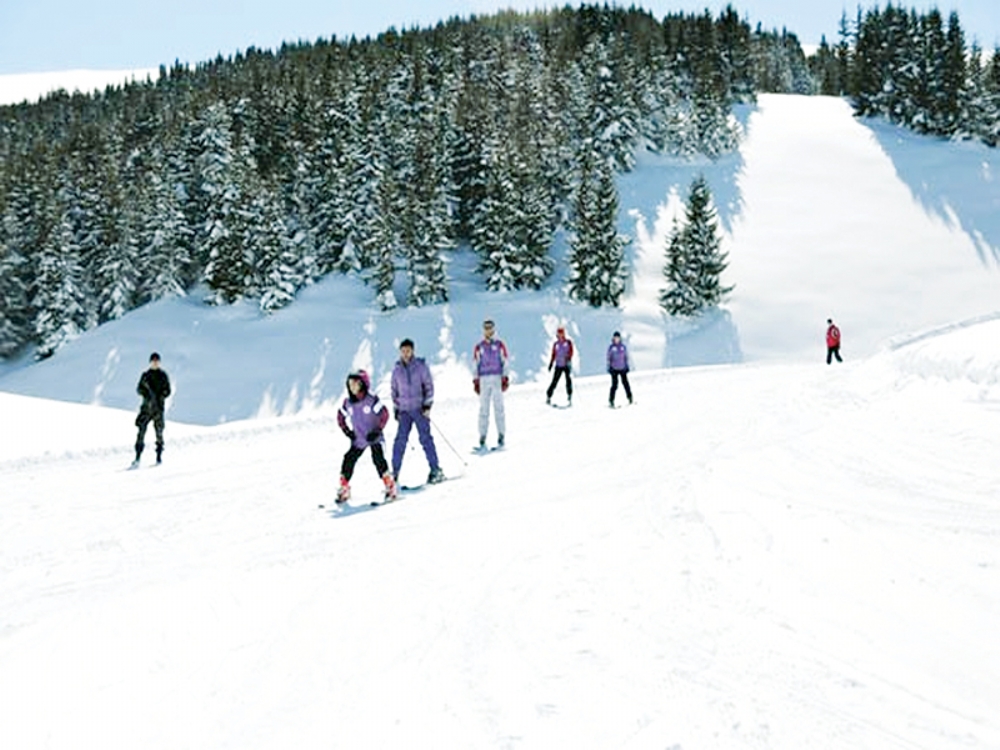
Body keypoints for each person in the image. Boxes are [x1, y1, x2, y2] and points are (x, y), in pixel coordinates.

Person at [335, 370, 396, 503]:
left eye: (356, 384)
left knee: (378, 459)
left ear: (363, 384)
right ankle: (344, 488)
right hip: (359, 439)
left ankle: (390, 486)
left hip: (374, 437)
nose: (353, 387)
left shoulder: (371, 400)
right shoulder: (348, 403)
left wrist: (378, 430)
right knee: (348, 459)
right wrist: (347, 431)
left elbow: (384, 414)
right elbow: (340, 416)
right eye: (350, 384)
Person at [391, 338, 444, 485]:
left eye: (408, 350)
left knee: (425, 439)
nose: (405, 353)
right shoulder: (397, 369)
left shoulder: (420, 366)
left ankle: (435, 469)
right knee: (400, 441)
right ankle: (394, 473)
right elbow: (394, 390)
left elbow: (429, 386)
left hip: (419, 409)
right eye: (403, 351)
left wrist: (427, 406)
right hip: (404, 412)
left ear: (413, 351)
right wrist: (396, 408)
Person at [473, 318, 509, 449]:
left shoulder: (499, 345)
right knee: (484, 408)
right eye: (486, 328)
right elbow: (475, 364)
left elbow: (505, 361)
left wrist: (505, 377)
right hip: (484, 378)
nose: (488, 330)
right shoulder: (479, 346)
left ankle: (501, 434)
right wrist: (475, 380)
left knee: (499, 407)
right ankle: (482, 435)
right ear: (483, 330)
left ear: (494, 329)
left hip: (496, 377)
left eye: (490, 328)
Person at [132, 352, 171, 467]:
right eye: (153, 361)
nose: (155, 363)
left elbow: (168, 390)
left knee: (159, 433)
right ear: (150, 362)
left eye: (157, 361)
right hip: (146, 409)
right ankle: (137, 457)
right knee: (141, 432)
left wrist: (161, 396)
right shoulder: (145, 375)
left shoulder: (163, 375)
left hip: (158, 408)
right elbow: (139, 389)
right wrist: (147, 394)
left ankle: (159, 457)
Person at [545, 326, 574, 406]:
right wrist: (551, 363)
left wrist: (568, 359)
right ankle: (549, 395)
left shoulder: (568, 342)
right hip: (558, 365)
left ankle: (569, 395)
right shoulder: (556, 344)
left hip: (566, 364)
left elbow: (571, 351)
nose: (560, 335)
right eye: (559, 333)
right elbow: (553, 354)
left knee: (568, 380)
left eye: (561, 333)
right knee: (554, 381)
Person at [607, 331, 632, 407]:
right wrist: (609, 367)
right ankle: (611, 400)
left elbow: (626, 357)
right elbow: (608, 358)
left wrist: (627, 366)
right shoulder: (611, 348)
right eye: (615, 338)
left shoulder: (622, 347)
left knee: (625, 383)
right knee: (614, 385)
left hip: (622, 368)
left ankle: (630, 397)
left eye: (618, 338)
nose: (616, 339)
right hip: (614, 368)